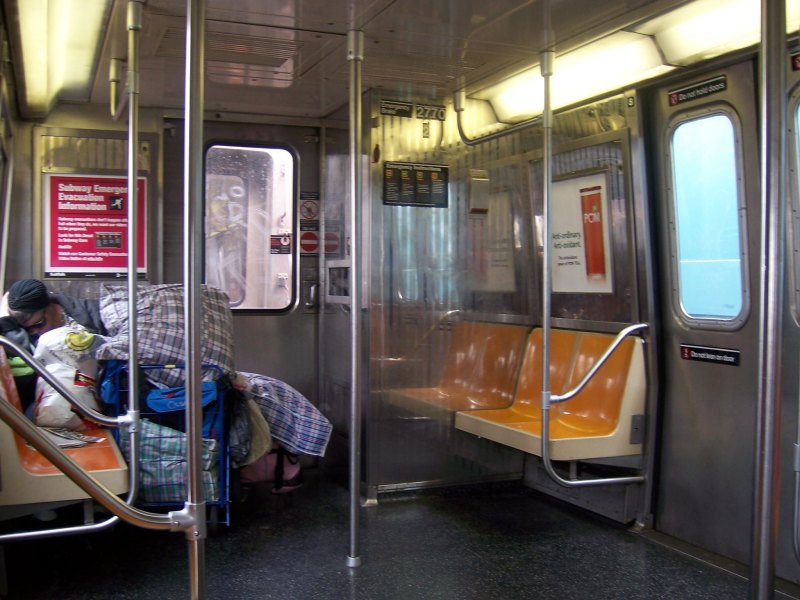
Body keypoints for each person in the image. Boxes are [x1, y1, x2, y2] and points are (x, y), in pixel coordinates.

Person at [2, 278, 107, 338]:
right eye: (27, 329)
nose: (34, 331)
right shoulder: (33, 337)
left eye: (39, 323)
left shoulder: (96, 315)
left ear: (50, 307)